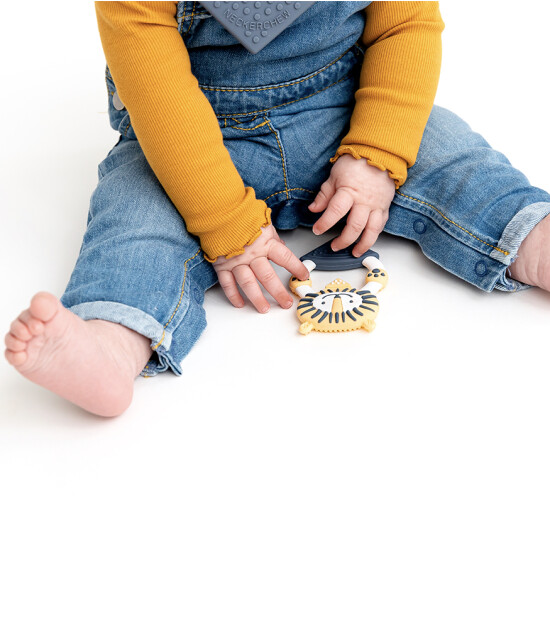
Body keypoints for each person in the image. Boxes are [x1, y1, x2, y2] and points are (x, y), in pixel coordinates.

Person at [4, 1, 550, 417]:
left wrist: (379, 154)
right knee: (135, 216)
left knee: (453, 157)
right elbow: (156, 89)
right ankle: (111, 341)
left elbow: (406, 27)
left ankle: (533, 238)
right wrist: (223, 219)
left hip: (348, 109)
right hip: (193, 141)